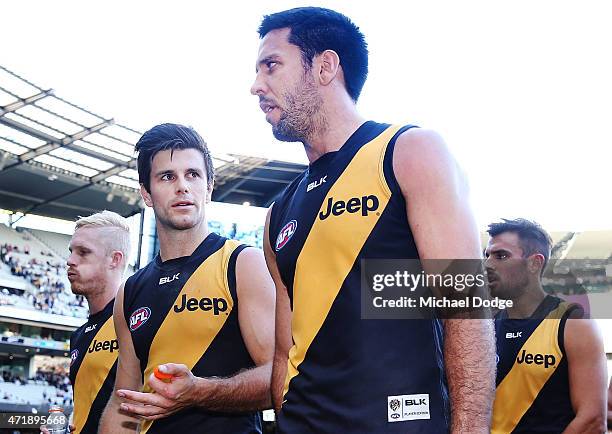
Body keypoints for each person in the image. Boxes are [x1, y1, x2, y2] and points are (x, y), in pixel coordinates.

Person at [251, 7, 495, 433]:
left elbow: (466, 310)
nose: (256, 86)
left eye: (271, 65)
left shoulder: (409, 151)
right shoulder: (278, 213)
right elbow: (282, 352)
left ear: (325, 66)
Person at [99, 124, 275, 433]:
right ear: (146, 193)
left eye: (192, 174)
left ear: (208, 188)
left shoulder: (243, 263)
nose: (182, 186)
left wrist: (199, 392)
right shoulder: (131, 291)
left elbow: (280, 374)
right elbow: (123, 403)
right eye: (167, 177)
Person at [485, 218, 607, 433]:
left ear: (535, 263)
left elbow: (592, 421)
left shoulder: (573, 323)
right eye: (486, 255)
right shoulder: (485, 326)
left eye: (501, 256)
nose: (487, 265)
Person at [42, 210, 130, 434]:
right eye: (71, 251)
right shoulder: (79, 335)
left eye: (84, 252)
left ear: (115, 259)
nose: (70, 261)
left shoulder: (137, 322)